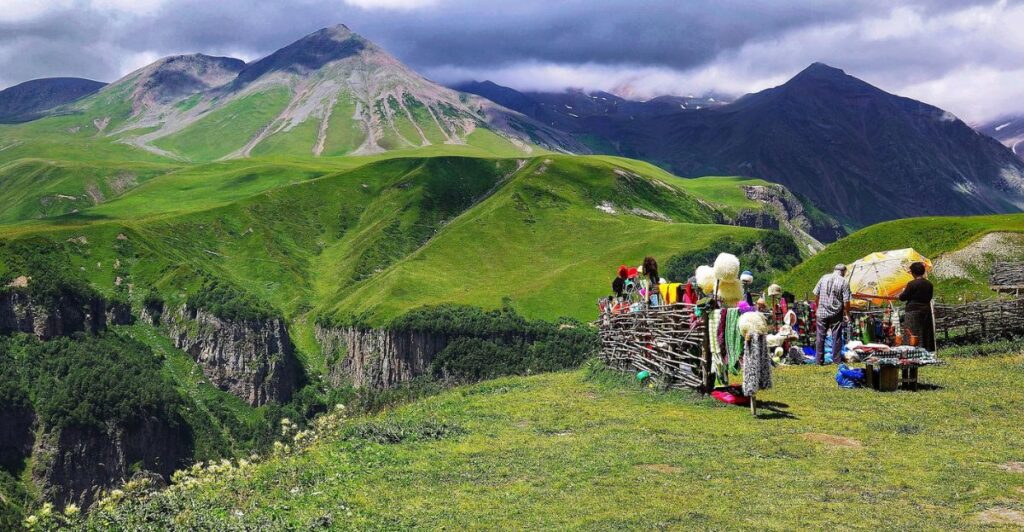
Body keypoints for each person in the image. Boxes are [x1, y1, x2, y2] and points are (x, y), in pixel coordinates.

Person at [813, 263, 851, 365]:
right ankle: (836, 360)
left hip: (821, 311)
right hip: (836, 312)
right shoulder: (844, 282)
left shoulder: (823, 278)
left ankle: (819, 361)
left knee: (820, 336)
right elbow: (846, 301)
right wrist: (847, 313)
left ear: (834, 269)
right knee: (836, 337)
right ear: (843, 272)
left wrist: (818, 307)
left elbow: (816, 294)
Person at [899, 261, 935, 351]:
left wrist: (903, 292)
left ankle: (912, 350)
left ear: (913, 272)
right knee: (924, 331)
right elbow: (929, 297)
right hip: (926, 310)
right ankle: (926, 349)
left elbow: (903, 298)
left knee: (912, 331)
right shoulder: (929, 284)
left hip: (913, 310)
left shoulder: (912, 284)